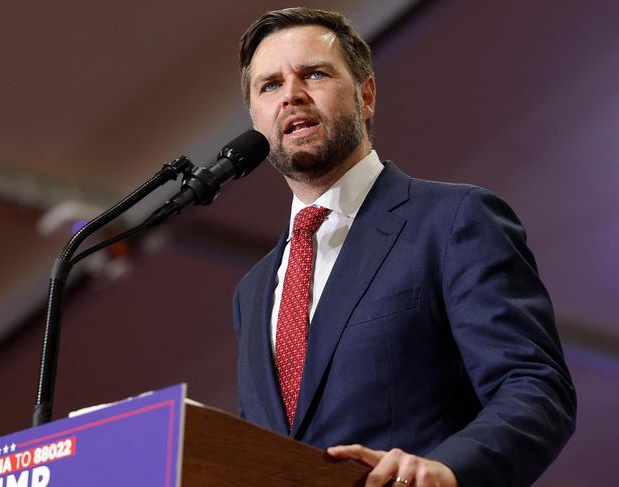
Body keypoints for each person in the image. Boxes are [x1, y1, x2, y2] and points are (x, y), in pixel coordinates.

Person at [232, 7, 576, 487]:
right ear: (256, 120)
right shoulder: (252, 292)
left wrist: (448, 468)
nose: (291, 94)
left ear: (366, 95)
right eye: (270, 85)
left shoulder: (454, 219)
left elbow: (534, 388)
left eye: (314, 73)